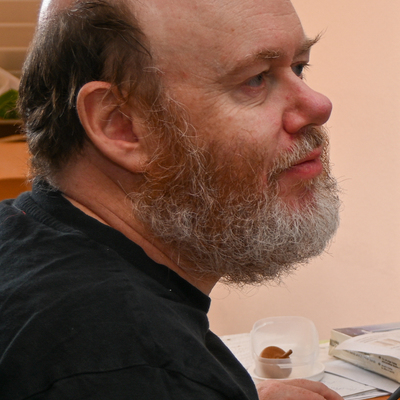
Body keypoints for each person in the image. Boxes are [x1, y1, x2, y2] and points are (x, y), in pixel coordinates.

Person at [0, 0, 342, 398]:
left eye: (298, 67)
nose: (319, 105)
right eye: (256, 79)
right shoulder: (126, 360)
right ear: (122, 126)